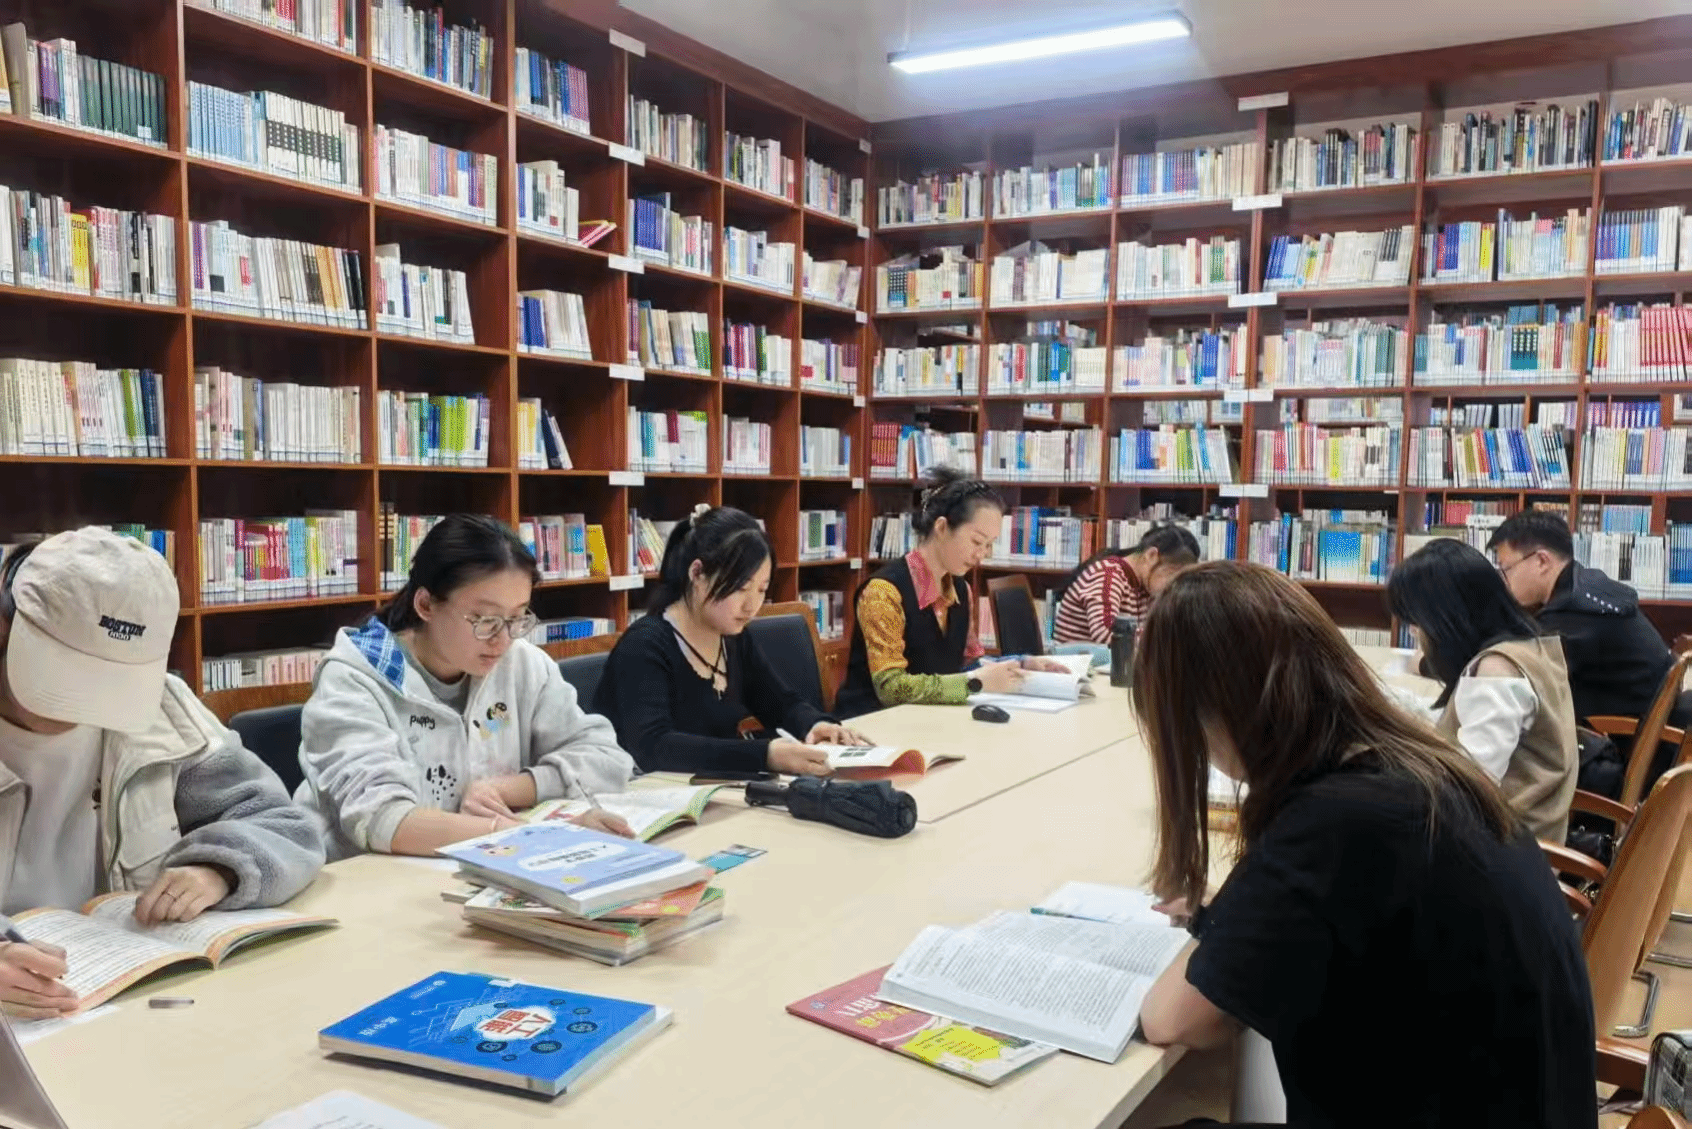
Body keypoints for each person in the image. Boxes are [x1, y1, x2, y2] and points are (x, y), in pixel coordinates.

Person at [1134, 562, 1596, 1129]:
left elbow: (1174, 1020)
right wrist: (1236, 912)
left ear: (1215, 715)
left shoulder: (1335, 819)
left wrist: (1223, 924)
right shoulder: (1413, 769)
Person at [0, 528, 325, 1018]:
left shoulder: (165, 712)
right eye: (68, 674)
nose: (81, 706)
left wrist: (219, 869)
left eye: (111, 680)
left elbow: (285, 825)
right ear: (6, 627)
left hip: (123, 991)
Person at [298, 514, 636, 860]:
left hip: (484, 867)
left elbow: (605, 758)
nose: (503, 639)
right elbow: (382, 818)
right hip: (369, 877)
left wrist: (506, 789)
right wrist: (533, 836)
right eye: (485, 620)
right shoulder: (355, 678)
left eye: (517, 617)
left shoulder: (522, 663)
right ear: (425, 605)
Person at [597, 506, 868, 776]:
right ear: (697, 574)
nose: (752, 606)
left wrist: (815, 725)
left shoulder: (733, 638)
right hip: (644, 791)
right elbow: (654, 748)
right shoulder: (644, 646)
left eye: (761, 589)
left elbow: (779, 702)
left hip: (714, 790)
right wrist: (765, 756)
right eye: (741, 588)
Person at [1384, 538, 1579, 843]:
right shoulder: (1532, 648)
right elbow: (1467, 729)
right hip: (1525, 837)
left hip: (1506, 850)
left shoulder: (1497, 672)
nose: (1414, 631)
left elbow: (1468, 790)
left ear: (1444, 620)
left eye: (1416, 622)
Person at [834, 468, 1067, 718]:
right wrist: (974, 682)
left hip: (930, 721)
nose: (982, 554)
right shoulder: (883, 592)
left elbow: (967, 666)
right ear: (942, 527)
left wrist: (1021, 664)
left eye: (989, 545)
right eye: (976, 542)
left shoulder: (960, 590)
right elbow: (891, 688)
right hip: (873, 724)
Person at [1488, 508, 1686, 730]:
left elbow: (1523, 672)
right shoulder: (1585, 585)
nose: (1503, 581)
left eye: (1506, 569)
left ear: (1542, 561)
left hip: (1627, 737)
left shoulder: (1573, 614)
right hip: (1647, 721)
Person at [1052, 525, 1202, 661]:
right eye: (1172, 575)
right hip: (1077, 668)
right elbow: (1107, 634)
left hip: (1109, 668)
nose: (1172, 586)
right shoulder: (1108, 574)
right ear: (1151, 556)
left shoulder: (1146, 586)